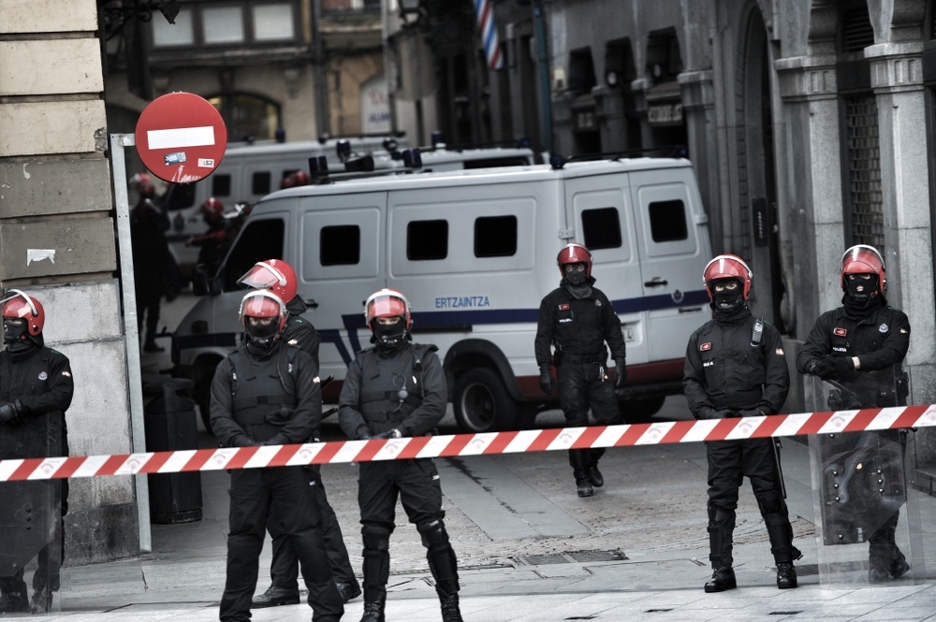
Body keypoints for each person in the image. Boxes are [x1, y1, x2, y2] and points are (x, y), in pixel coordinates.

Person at [210, 289, 343, 622]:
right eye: (255, 320)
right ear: (245, 322)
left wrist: (280, 443)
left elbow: (309, 411)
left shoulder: (298, 361)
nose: (261, 326)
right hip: (248, 468)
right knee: (243, 542)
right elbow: (219, 417)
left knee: (307, 536)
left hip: (290, 465)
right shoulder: (229, 367)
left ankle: (327, 613)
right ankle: (234, 615)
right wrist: (247, 446)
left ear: (280, 322)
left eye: (266, 320)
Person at [237, 259, 361, 607]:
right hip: (266, 433)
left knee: (312, 508)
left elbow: (278, 371)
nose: (255, 297)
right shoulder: (259, 327)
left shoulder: (300, 329)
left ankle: (343, 579)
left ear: (279, 291)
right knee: (277, 513)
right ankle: (284, 585)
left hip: (295, 433)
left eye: (261, 290)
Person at [338, 289, 463, 622]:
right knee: (374, 537)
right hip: (374, 461)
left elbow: (435, 404)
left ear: (406, 321)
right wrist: (364, 437)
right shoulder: (361, 363)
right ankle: (373, 610)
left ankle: (451, 605)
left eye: (393, 319)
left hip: (414, 457)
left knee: (433, 530)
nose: (388, 325)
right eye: (382, 321)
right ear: (371, 325)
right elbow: (346, 407)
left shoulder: (425, 358)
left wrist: (399, 433)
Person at [683, 253, 799, 592]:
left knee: (770, 497)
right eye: (718, 285)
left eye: (730, 284)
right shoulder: (700, 337)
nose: (725, 291)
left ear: (744, 287)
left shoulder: (765, 332)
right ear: (709, 290)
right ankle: (722, 570)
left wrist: (762, 414)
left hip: (756, 428)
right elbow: (691, 382)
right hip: (719, 429)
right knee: (720, 502)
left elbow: (778, 379)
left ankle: (785, 565)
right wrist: (709, 415)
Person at [796, 244, 911, 583]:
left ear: (879, 281)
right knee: (855, 486)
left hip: (886, 414)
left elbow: (892, 353)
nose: (860, 285)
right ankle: (889, 555)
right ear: (844, 281)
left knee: (885, 487)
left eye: (867, 278)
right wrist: (820, 366)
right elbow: (805, 356)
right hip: (845, 417)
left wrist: (852, 363)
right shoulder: (830, 322)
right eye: (854, 278)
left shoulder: (894, 320)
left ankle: (881, 556)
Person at [0, 290, 74, 614]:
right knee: (6, 525)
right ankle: (11, 592)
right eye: (5, 322)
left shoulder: (54, 361)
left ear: (31, 324)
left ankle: (44, 588)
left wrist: (20, 407)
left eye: (13, 323)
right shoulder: (1, 363)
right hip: (7, 458)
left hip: (46, 456)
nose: (7, 328)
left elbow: (61, 396)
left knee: (49, 524)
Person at [534, 243, 626, 498]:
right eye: (570, 268)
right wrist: (544, 370)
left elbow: (614, 331)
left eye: (579, 267)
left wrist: (620, 360)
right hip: (569, 369)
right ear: (562, 271)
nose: (575, 272)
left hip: (597, 367)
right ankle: (582, 477)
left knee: (613, 420)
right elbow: (542, 339)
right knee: (576, 423)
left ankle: (591, 460)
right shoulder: (552, 302)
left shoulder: (599, 299)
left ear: (588, 268)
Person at [129, 173, 171, 352]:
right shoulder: (137, 211)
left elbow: (166, 225)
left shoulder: (158, 207)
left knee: (153, 309)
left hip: (154, 269)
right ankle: (138, 343)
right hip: (141, 270)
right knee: (140, 311)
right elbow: (132, 231)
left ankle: (149, 342)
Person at [186, 197, 230, 275]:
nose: (204, 217)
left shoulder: (223, 227)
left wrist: (194, 241)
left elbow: (211, 238)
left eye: (206, 215)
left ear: (213, 215)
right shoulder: (215, 228)